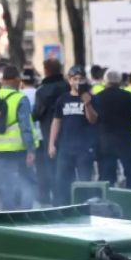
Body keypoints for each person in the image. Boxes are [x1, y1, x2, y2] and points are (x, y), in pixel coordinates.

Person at [0, 66, 36, 210]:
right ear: (16, 80)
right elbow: (25, 126)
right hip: (18, 149)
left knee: (5, 186)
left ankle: (8, 219)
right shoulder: (20, 98)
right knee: (27, 182)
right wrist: (30, 150)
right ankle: (26, 217)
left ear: (2, 81)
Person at [49, 66, 99, 206]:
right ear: (69, 81)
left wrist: (87, 103)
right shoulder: (63, 99)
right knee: (61, 181)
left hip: (84, 148)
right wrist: (51, 143)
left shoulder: (91, 98)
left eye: (80, 79)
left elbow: (93, 119)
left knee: (84, 182)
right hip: (65, 148)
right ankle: (61, 208)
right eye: (74, 79)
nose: (77, 82)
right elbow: (56, 121)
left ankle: (83, 207)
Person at [33, 59, 70, 205]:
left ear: (46, 70)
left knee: (52, 169)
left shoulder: (42, 91)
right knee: (67, 170)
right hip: (69, 134)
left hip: (49, 136)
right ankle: (68, 199)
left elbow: (36, 114)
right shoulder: (67, 87)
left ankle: (56, 201)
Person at [96, 70, 131, 189]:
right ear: (120, 81)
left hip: (105, 141)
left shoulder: (98, 97)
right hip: (126, 140)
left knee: (106, 177)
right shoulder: (128, 96)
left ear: (105, 81)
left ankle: (107, 202)